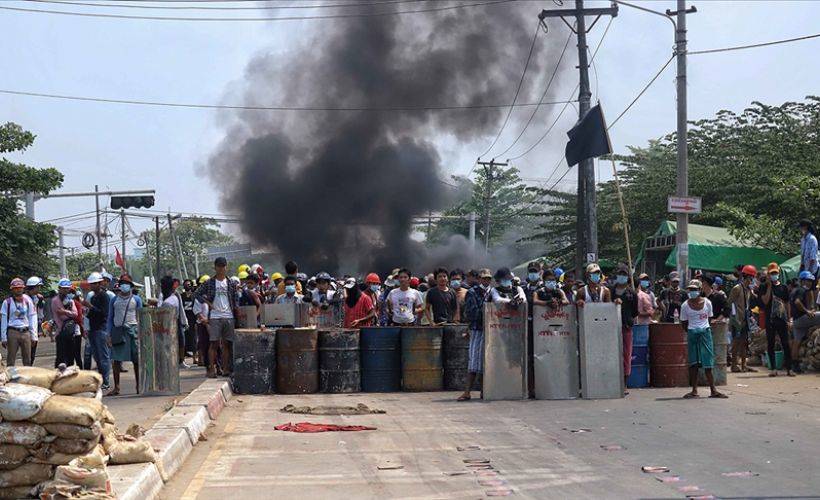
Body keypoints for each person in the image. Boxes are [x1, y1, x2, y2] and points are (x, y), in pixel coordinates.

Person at [680, 280, 727, 399]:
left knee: (708, 363)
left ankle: (713, 390)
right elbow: (684, 323)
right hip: (692, 333)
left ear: (700, 290)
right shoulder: (685, 305)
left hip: (705, 332)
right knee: (694, 363)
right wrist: (692, 331)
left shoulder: (707, 303)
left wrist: (701, 329)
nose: (692, 292)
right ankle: (694, 390)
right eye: (690, 289)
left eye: (694, 289)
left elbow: (709, 319)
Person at [195, 258, 238, 379]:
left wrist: (236, 312)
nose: (221, 268)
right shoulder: (209, 282)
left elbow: (235, 299)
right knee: (213, 343)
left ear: (226, 267)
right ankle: (211, 369)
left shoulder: (231, 283)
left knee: (227, 344)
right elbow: (196, 294)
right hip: (214, 316)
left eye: (223, 266)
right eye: (219, 266)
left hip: (228, 315)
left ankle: (225, 369)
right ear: (215, 267)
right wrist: (208, 302)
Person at [458, 268, 492, 402]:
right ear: (479, 279)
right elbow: (472, 313)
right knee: (474, 360)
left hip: (491, 330)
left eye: (488, 278)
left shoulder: (493, 292)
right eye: (484, 278)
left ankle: (485, 391)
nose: (486, 281)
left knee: (487, 361)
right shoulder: (472, 292)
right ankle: (467, 392)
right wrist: (488, 311)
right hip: (477, 329)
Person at [106, 274, 142, 395]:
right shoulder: (114, 300)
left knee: (136, 359)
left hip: (133, 331)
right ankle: (116, 387)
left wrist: (141, 332)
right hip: (118, 331)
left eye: (126, 284)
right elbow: (110, 318)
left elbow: (140, 316)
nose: (124, 286)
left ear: (131, 286)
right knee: (116, 360)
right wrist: (108, 334)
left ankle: (139, 385)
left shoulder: (136, 299)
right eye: (122, 284)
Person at [758, 263, 793, 377]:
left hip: (782, 319)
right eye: (772, 273)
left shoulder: (783, 287)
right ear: (768, 274)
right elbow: (765, 301)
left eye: (775, 273)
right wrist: (769, 286)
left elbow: (787, 303)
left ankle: (789, 369)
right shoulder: (763, 287)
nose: (774, 275)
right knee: (771, 344)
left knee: (785, 343)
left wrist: (789, 319)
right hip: (770, 319)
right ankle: (773, 368)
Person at [608, 265, 638, 393]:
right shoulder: (610, 291)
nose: (622, 276)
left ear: (628, 277)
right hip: (611, 327)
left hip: (626, 327)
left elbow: (635, 312)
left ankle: (624, 384)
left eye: (624, 274)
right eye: (620, 274)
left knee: (626, 355)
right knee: (611, 354)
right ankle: (611, 382)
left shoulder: (632, 293)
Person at [728, 265, 758, 373]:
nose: (752, 280)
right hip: (737, 319)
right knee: (736, 342)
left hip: (745, 319)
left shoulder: (748, 290)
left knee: (744, 342)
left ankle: (744, 365)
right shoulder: (737, 288)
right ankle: (734, 365)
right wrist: (734, 318)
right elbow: (730, 303)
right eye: (752, 278)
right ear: (748, 277)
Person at [1, 278, 38, 366]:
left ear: (23, 288)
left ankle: (27, 374)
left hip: (26, 332)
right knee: (11, 359)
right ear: (12, 289)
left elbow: (32, 317)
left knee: (27, 359)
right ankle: (11, 374)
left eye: (20, 288)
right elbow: (4, 320)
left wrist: (34, 335)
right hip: (12, 332)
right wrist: (3, 337)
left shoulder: (28, 301)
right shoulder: (7, 302)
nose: (18, 290)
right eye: (16, 288)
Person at [85, 272, 112, 390]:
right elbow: (91, 315)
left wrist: (91, 307)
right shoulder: (93, 297)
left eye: (94, 284)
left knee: (103, 357)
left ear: (99, 284)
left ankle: (106, 381)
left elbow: (104, 313)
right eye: (91, 284)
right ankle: (101, 380)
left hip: (101, 329)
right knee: (97, 357)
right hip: (93, 329)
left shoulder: (104, 297)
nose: (92, 286)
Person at [790, 271, 819, 374]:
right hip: (802, 319)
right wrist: (807, 311)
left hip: (796, 320)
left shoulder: (794, 290)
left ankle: (794, 365)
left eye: (811, 281)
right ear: (802, 281)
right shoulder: (801, 290)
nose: (809, 283)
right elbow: (797, 302)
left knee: (796, 342)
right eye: (808, 281)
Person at [160, 275, 190, 368]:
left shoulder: (175, 296)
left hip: (176, 321)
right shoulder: (162, 296)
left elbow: (180, 309)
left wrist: (184, 321)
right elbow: (159, 307)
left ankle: (181, 361)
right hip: (165, 322)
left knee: (181, 341)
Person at [52, 279, 79, 367]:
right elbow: (58, 314)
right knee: (61, 357)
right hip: (60, 331)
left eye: (67, 288)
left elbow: (75, 314)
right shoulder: (55, 300)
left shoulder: (70, 300)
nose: (65, 290)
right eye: (63, 288)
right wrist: (67, 313)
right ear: (59, 288)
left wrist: (64, 312)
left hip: (70, 331)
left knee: (71, 356)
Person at [24, 276, 44, 363]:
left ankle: (29, 366)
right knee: (27, 353)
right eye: (38, 287)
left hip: (34, 326)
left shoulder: (38, 298)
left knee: (32, 354)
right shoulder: (23, 298)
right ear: (33, 287)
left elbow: (39, 312)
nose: (39, 289)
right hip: (24, 327)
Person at [193, 275, 211, 368]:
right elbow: (197, 312)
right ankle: (202, 360)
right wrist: (205, 321)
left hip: (212, 323)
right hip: (202, 323)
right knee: (203, 343)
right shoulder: (198, 298)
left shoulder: (212, 296)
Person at [180, 279, 197, 362]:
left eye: (189, 285)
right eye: (186, 285)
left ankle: (194, 358)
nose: (187, 286)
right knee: (184, 339)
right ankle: (183, 359)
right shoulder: (181, 296)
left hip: (192, 320)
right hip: (183, 320)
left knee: (193, 339)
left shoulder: (194, 296)